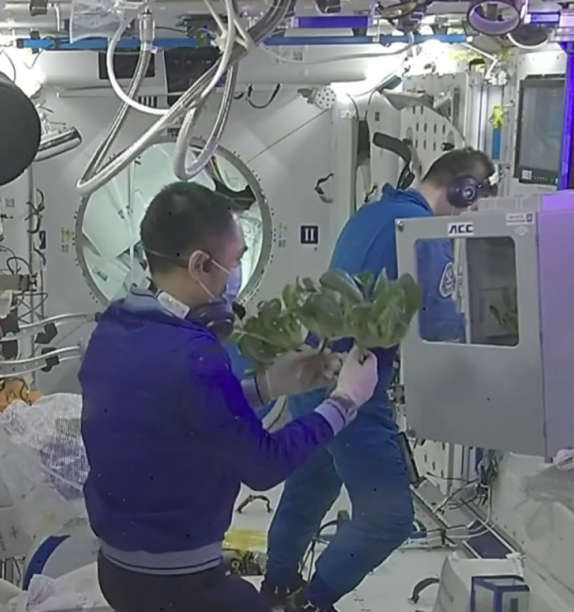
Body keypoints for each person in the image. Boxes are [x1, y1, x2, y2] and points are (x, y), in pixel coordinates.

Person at [79, 182, 380, 612]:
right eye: (235, 259)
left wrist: (268, 385)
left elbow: (177, 415)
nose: (235, 273)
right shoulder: (194, 353)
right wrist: (345, 402)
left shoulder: (118, 323)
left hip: (118, 573)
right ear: (200, 264)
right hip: (180, 586)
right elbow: (263, 465)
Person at [262, 148, 496, 611]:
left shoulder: (373, 212)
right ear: (462, 191)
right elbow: (440, 325)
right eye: (473, 201)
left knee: (311, 487)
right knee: (388, 518)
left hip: (312, 371)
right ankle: (309, 603)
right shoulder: (421, 231)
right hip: (353, 389)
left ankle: (276, 587)